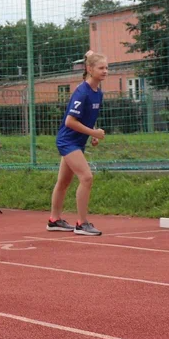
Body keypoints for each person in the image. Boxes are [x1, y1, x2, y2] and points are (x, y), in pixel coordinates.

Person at [47, 51, 107, 236]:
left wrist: (93, 133)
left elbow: (87, 118)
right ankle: (82, 223)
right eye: (101, 68)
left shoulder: (99, 92)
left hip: (78, 142)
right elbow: (70, 121)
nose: (105, 71)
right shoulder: (82, 92)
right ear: (90, 69)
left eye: (107, 68)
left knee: (63, 181)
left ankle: (54, 220)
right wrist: (92, 132)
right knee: (87, 177)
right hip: (68, 141)